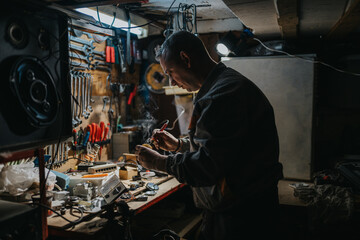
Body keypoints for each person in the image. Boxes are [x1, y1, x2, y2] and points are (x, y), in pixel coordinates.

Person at [135, 30, 283, 240]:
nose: (171, 82)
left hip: (242, 218)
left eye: (170, 72)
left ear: (186, 59)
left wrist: (159, 162)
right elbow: (225, 151)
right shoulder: (224, 85)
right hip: (239, 209)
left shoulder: (221, 96)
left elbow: (207, 166)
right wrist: (179, 146)